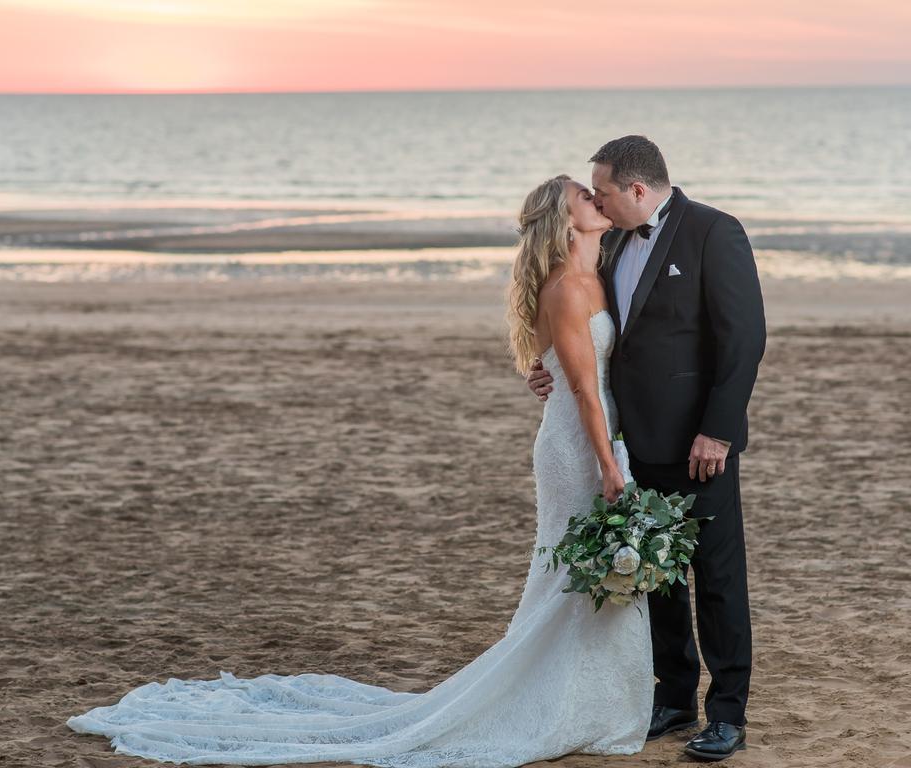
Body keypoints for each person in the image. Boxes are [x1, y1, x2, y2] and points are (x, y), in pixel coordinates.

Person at [65, 175, 654, 766]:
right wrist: (606, 463)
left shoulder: (600, 274)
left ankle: (584, 700)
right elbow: (578, 386)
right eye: (586, 195)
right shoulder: (568, 287)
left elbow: (563, 366)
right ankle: (554, 704)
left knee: (580, 572)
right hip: (580, 446)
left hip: (598, 435)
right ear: (564, 218)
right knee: (570, 571)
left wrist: (552, 386)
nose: (597, 201)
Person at [527, 136, 766, 762]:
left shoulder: (715, 232)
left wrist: (717, 429)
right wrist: (546, 366)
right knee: (654, 575)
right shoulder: (606, 244)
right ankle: (676, 696)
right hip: (634, 441)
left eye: (602, 190)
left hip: (699, 443)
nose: (597, 200)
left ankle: (727, 714)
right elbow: (590, 333)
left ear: (637, 189)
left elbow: (742, 341)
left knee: (716, 578)